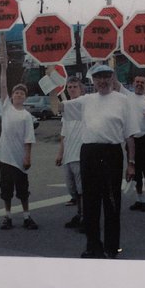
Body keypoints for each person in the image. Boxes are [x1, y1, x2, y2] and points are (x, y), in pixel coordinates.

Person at [62, 64, 138, 259]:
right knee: (90, 203)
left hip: (112, 153)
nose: (102, 81)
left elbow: (130, 135)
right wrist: (52, 80)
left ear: (112, 78)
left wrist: (131, 163)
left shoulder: (123, 100)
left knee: (112, 203)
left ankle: (111, 248)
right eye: (98, 78)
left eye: (106, 77)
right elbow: (59, 107)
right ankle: (92, 246)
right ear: (93, 81)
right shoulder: (86, 100)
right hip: (89, 153)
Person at [0, 33, 38, 230]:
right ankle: (7, 217)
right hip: (5, 158)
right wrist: (3, 67)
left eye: (21, 93)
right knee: (6, 190)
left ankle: (27, 217)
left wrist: (27, 157)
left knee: (23, 190)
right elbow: (3, 83)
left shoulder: (27, 115)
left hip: (20, 159)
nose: (18, 95)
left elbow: (29, 139)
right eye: (16, 92)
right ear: (11, 96)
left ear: (25, 97)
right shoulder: (6, 108)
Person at [114, 74, 145, 212]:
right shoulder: (127, 95)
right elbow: (115, 82)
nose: (139, 84)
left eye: (142, 82)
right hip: (133, 141)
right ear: (133, 83)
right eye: (137, 81)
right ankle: (139, 199)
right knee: (136, 173)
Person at [55, 76, 86, 231]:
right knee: (73, 190)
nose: (72, 89)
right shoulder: (67, 109)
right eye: (69, 87)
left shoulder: (83, 105)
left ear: (81, 89)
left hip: (80, 155)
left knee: (82, 190)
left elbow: (57, 106)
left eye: (75, 87)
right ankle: (79, 214)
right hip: (68, 156)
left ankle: (85, 218)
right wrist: (60, 154)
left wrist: (53, 79)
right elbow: (63, 135)